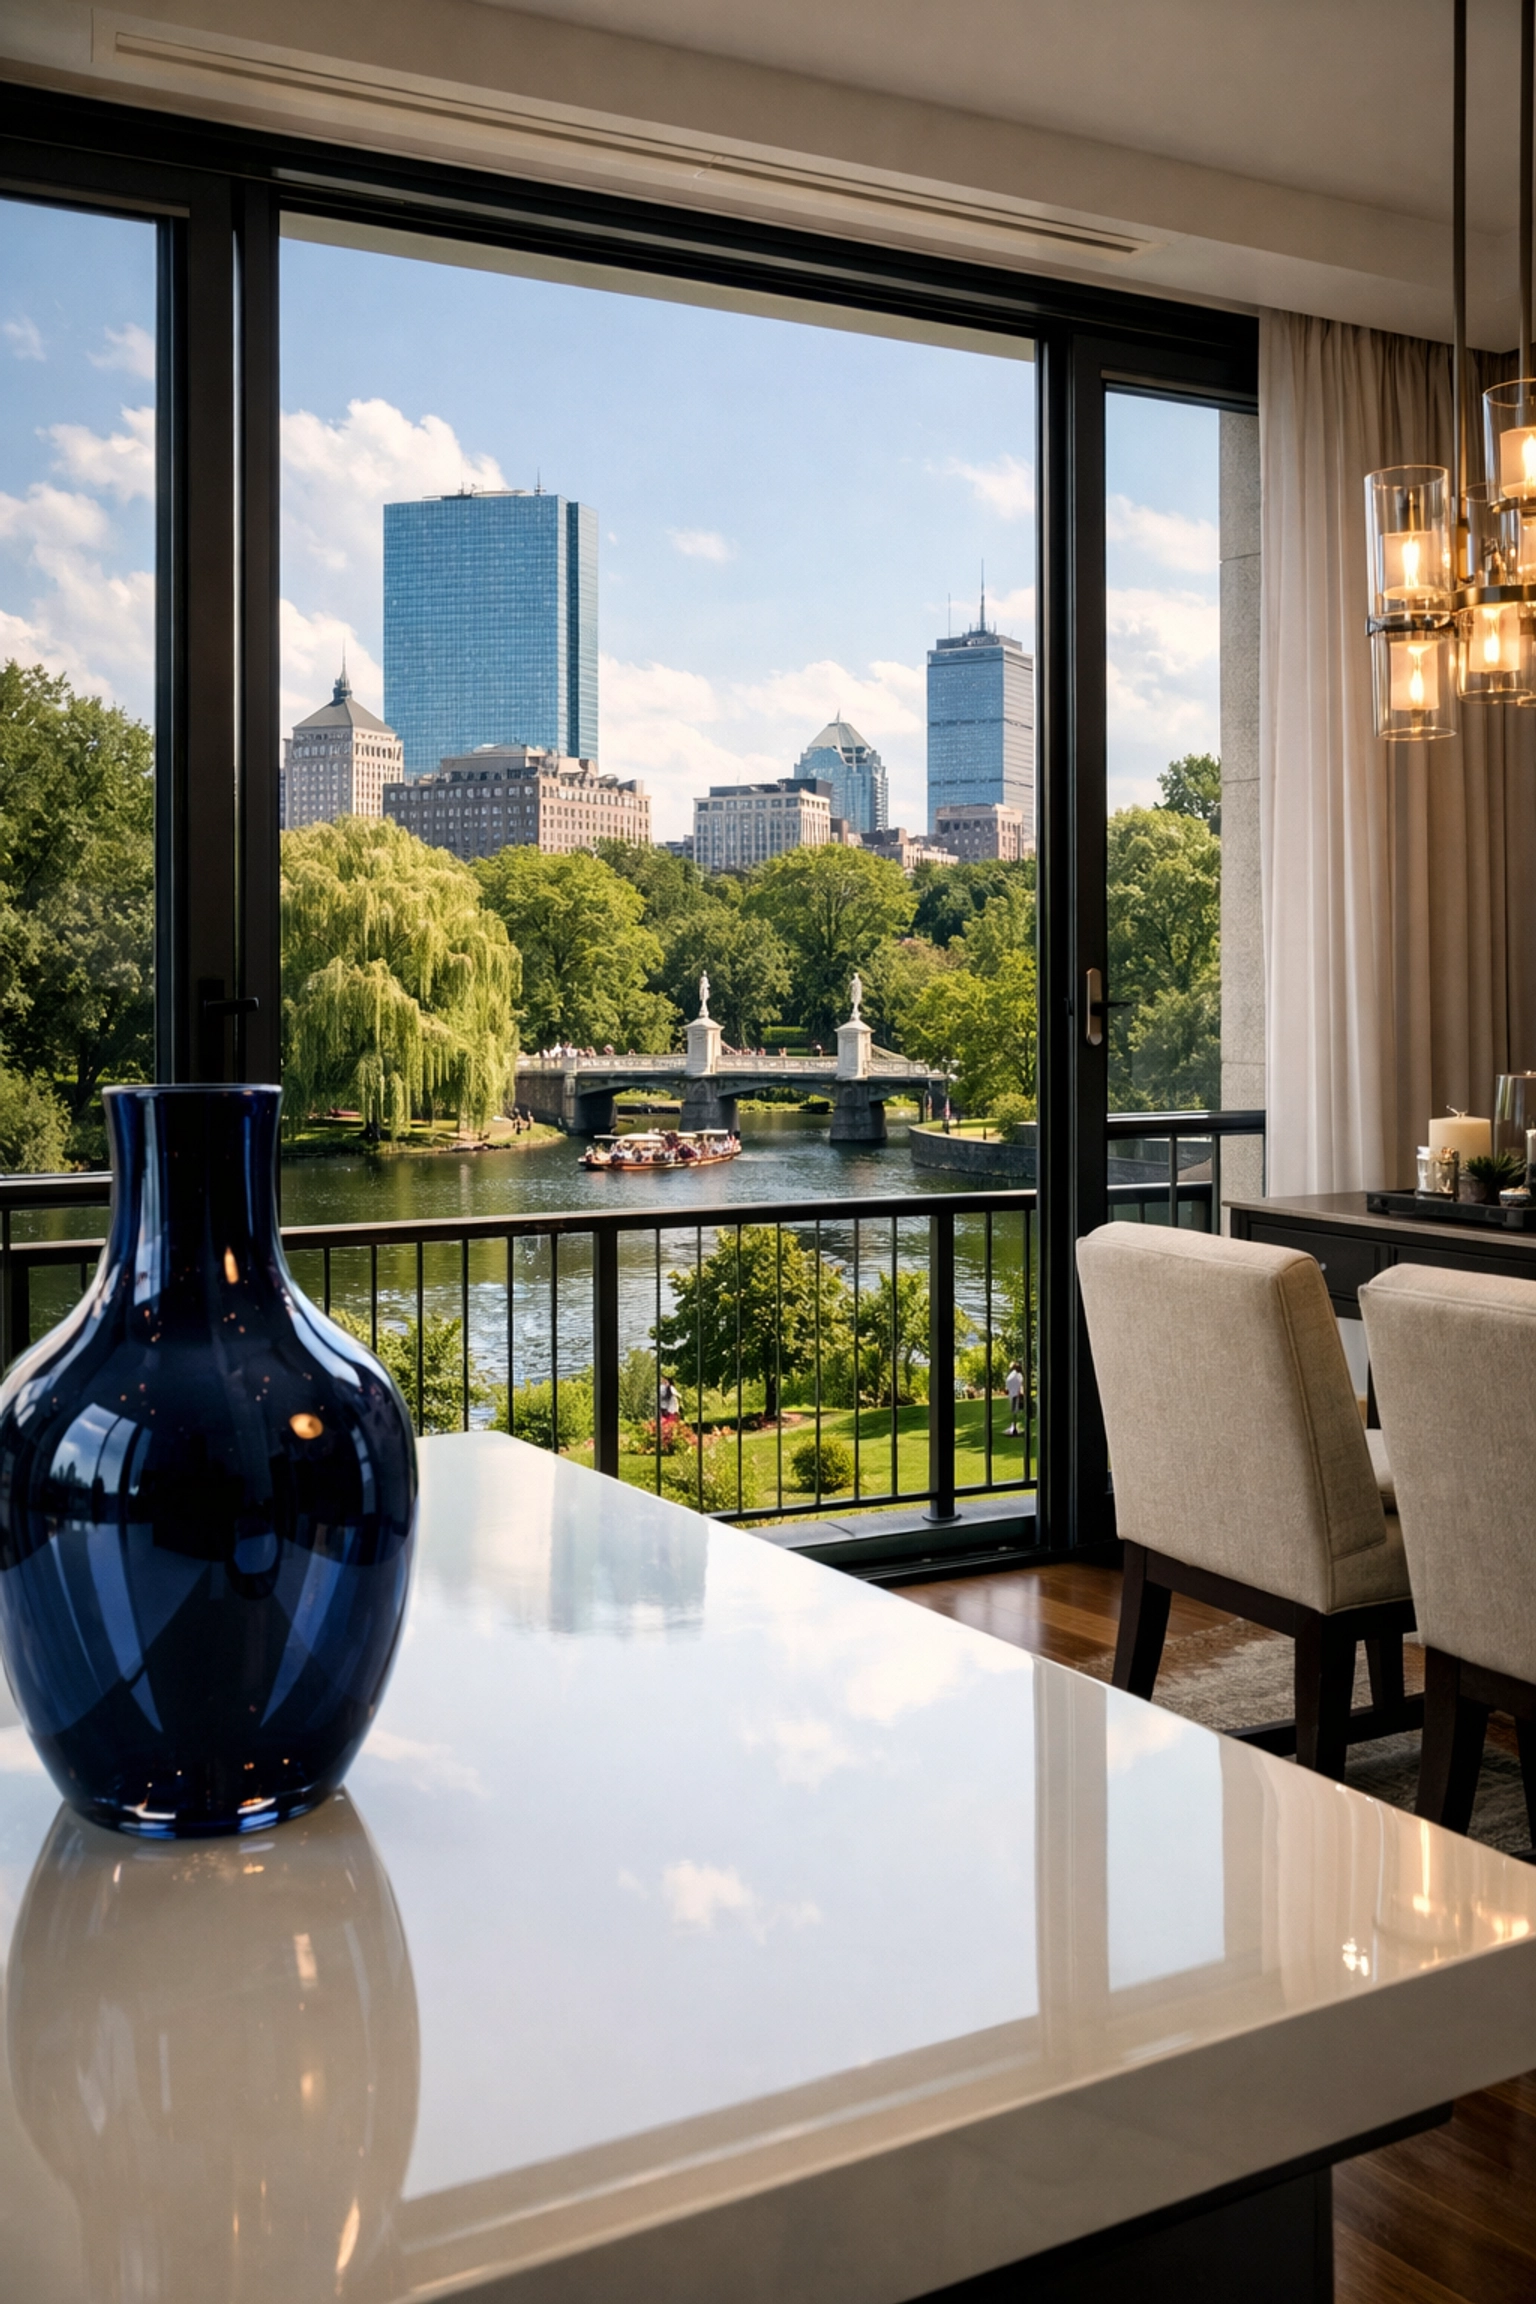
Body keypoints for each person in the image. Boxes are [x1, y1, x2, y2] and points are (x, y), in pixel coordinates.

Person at [1004, 1361, 1026, 1437]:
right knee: (1014, 1411)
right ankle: (1014, 1427)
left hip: (1013, 1395)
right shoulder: (1017, 1375)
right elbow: (1020, 1385)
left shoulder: (1013, 1375)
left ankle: (1014, 1428)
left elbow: (1008, 1386)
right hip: (1015, 1394)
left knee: (1014, 1411)